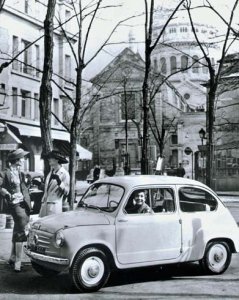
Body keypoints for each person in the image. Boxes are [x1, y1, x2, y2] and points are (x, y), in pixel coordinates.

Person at [0, 148, 31, 272]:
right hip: (15, 205)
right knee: (21, 231)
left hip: (23, 204)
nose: (23, 160)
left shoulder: (21, 173)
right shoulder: (5, 173)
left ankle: (12, 258)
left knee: (17, 229)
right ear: (16, 160)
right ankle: (18, 261)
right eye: (22, 158)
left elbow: (23, 188)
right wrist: (5, 191)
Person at [38, 150, 70, 217]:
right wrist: (39, 184)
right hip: (45, 205)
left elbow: (67, 192)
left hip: (54, 206)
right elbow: (48, 189)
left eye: (51, 158)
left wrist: (59, 181)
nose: (49, 159)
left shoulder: (64, 174)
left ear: (57, 160)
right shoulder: (51, 172)